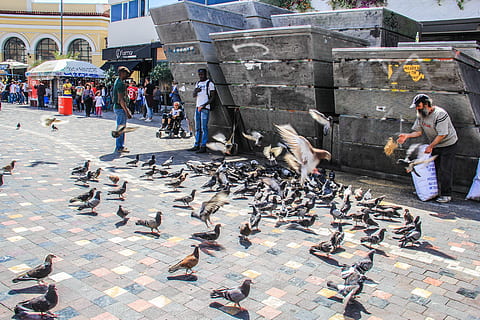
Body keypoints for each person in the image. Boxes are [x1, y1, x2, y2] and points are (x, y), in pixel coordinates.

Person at [397, 94, 458, 203]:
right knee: (432, 169)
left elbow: (442, 134)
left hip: (448, 144)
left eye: (418, 106)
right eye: (416, 106)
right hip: (435, 144)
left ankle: (446, 194)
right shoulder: (421, 115)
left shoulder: (440, 114)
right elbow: (419, 132)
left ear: (426, 104)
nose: (417, 108)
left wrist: (431, 146)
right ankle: (429, 190)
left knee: (445, 169)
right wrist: (407, 136)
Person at [188, 68, 216, 153]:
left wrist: (203, 106)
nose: (201, 76)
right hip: (198, 107)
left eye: (202, 74)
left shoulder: (209, 84)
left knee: (204, 127)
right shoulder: (198, 83)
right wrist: (195, 91)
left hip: (204, 108)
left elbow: (213, 97)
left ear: (205, 74)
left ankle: (203, 146)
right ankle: (196, 144)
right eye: (199, 74)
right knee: (197, 127)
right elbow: (194, 95)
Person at [113, 66, 132, 153]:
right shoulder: (120, 84)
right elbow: (121, 100)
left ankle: (120, 146)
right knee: (121, 128)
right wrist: (127, 111)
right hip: (120, 108)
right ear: (122, 74)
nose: (127, 76)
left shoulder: (118, 81)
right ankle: (119, 147)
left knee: (120, 127)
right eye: (126, 74)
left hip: (118, 108)